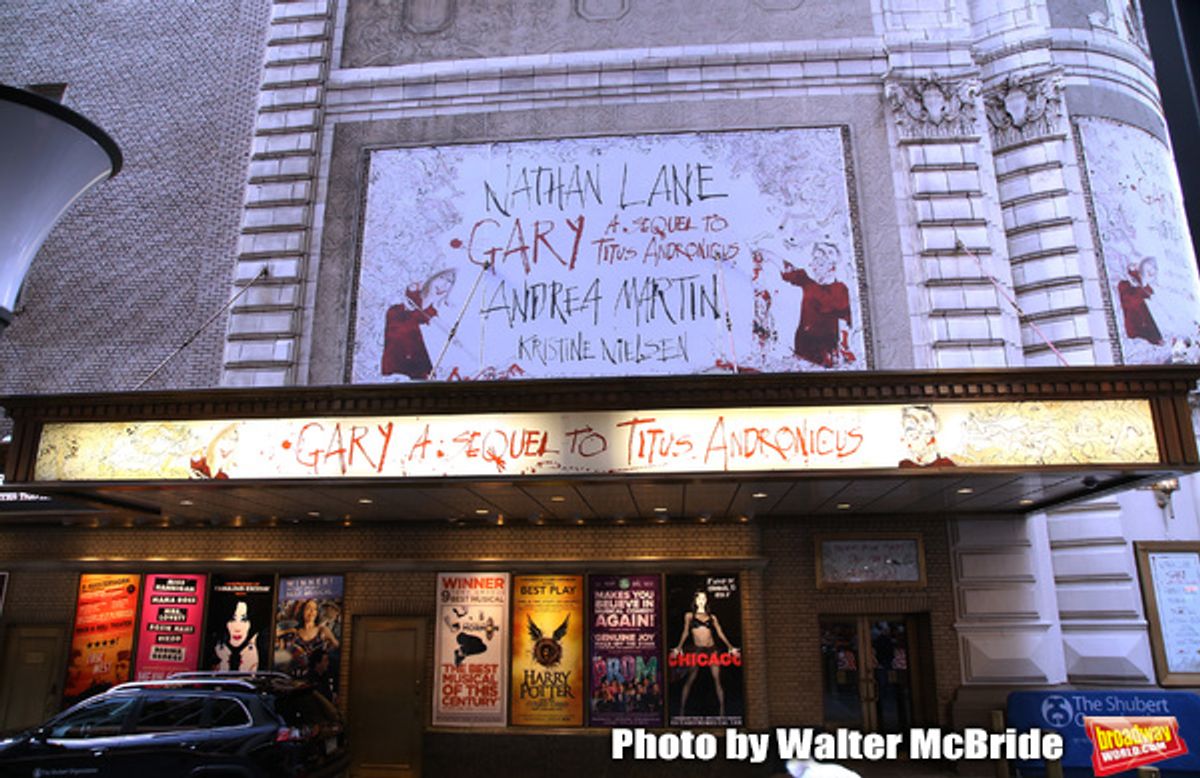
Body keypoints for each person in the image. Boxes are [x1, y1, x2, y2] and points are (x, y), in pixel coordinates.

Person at [780, 242, 852, 367]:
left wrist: (842, 351)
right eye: (814, 260)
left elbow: (844, 324)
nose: (813, 266)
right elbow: (788, 270)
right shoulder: (810, 285)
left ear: (831, 267)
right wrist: (766, 255)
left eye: (819, 262)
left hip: (822, 361)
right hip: (801, 355)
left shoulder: (839, 290)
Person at [671, 590, 739, 718]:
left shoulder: (712, 617)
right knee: (690, 678)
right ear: (695, 601)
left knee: (717, 679)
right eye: (699, 598)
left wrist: (730, 647)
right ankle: (681, 710)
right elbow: (685, 632)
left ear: (706, 600)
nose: (701, 600)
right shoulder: (689, 616)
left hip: (711, 648)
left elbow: (720, 633)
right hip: (697, 649)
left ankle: (722, 711)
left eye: (704, 598)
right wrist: (678, 647)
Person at [381, 268, 457, 379]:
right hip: (395, 374)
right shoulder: (398, 309)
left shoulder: (433, 318)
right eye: (442, 277)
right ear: (432, 278)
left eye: (450, 282)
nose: (444, 285)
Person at [279, 599, 340, 678]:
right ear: (303, 612)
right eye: (308, 608)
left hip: (317, 678)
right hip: (295, 678)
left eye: (314, 609)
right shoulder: (295, 631)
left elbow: (337, 646)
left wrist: (327, 653)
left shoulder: (322, 630)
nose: (312, 612)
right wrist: (287, 631)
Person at [1117, 256, 1164, 345]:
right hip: (1134, 331)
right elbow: (1131, 304)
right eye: (1149, 270)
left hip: (1144, 328)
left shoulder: (1143, 286)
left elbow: (1148, 293)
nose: (1152, 271)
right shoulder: (1124, 284)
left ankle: (1156, 338)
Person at [213, 600, 260, 672]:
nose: (237, 628)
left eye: (243, 620)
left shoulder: (254, 651)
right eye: (232, 620)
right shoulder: (217, 650)